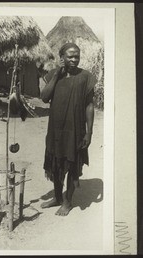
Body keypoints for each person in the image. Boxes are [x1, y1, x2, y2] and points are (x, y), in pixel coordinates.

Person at [39, 42, 97, 216]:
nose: (74, 59)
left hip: (76, 130)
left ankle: (67, 201)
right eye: (70, 56)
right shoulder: (53, 75)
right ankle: (57, 197)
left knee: (72, 165)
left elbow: (89, 106)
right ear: (62, 58)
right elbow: (44, 97)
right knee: (55, 163)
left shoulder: (85, 77)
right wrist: (57, 74)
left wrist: (89, 131)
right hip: (56, 130)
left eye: (77, 56)